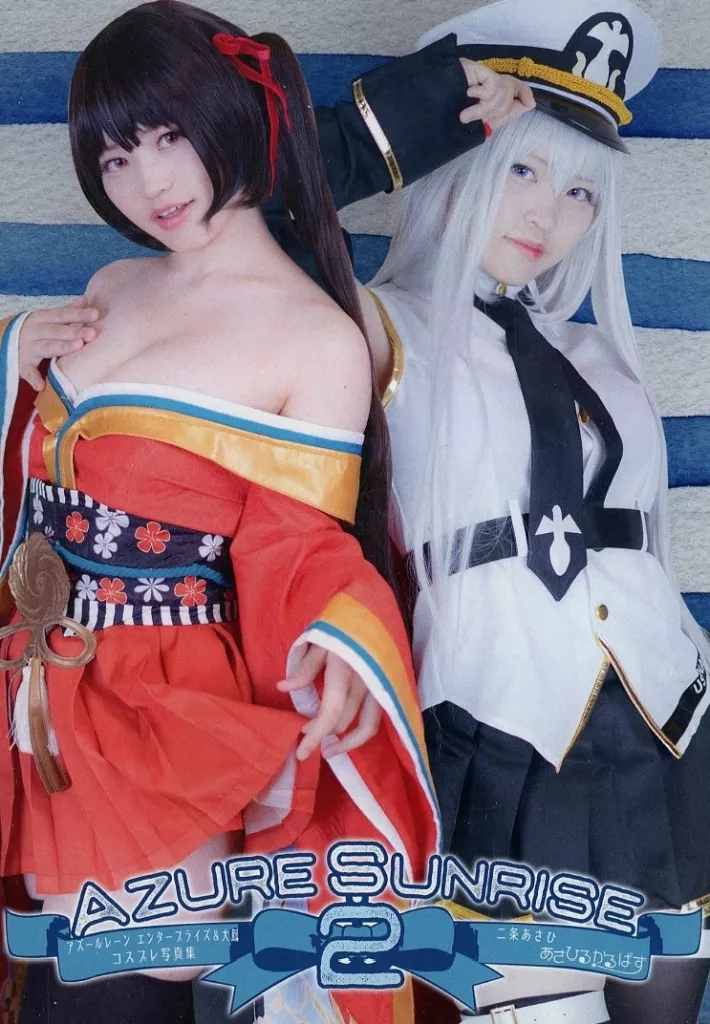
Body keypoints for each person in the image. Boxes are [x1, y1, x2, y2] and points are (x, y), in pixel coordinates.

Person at [0, 3, 442, 1023]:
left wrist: (342, 636)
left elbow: (300, 543)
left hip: (163, 706)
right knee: (49, 982)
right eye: (115, 158)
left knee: (112, 990)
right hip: (39, 683)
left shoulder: (316, 340)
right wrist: (16, 356)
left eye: (168, 136)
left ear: (233, 115)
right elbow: (49, 471)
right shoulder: (112, 282)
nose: (147, 182)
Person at [350, 1, 710, 1022]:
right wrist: (426, 111)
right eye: (521, 168)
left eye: (580, 190)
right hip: (496, 722)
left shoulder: (598, 354)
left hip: (665, 722)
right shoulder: (371, 326)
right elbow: (243, 210)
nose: (548, 214)